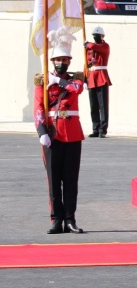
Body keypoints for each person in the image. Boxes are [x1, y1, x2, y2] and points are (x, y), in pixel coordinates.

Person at [34, 26, 86, 234]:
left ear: (69, 62)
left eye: (65, 60)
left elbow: (76, 90)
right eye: (58, 60)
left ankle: (70, 219)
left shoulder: (76, 80)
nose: (61, 63)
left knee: (71, 180)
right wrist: (42, 132)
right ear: (52, 61)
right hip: (52, 135)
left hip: (72, 134)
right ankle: (56, 218)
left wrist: (59, 81)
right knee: (54, 180)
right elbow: (38, 107)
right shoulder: (42, 81)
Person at [85, 26, 112, 138]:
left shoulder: (104, 46)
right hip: (92, 77)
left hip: (101, 76)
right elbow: (86, 64)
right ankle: (95, 128)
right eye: (94, 36)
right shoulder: (90, 49)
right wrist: (84, 78)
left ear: (102, 37)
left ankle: (103, 129)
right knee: (93, 106)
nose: (96, 38)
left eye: (98, 36)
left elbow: (93, 45)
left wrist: (87, 44)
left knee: (103, 106)